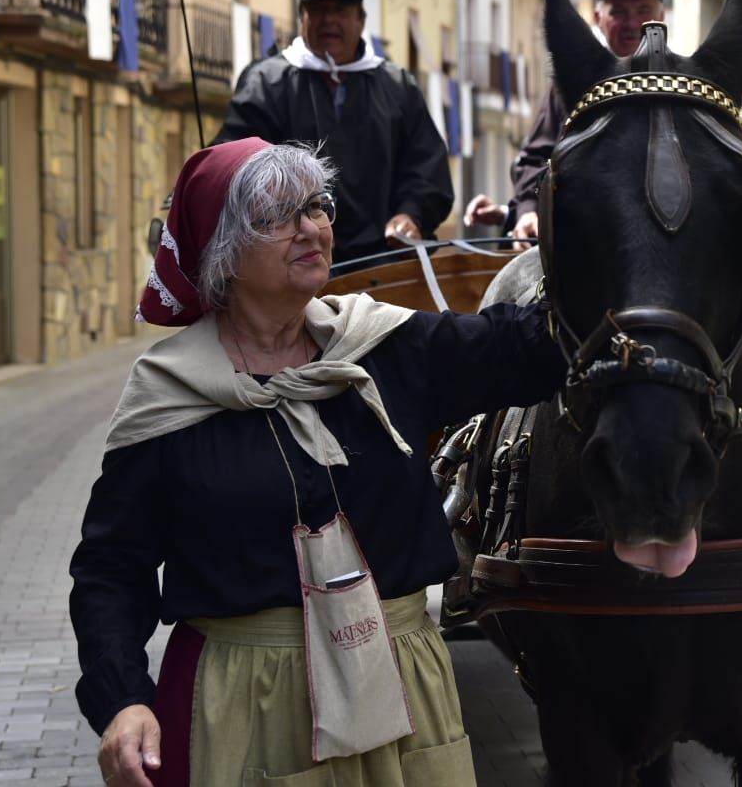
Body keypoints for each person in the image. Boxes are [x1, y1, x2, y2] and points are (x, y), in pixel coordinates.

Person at [71, 139, 562, 786]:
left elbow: (529, 347)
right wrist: (123, 698)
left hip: (402, 690)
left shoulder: (384, 347)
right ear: (222, 249)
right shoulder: (169, 395)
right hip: (247, 705)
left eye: (317, 206)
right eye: (278, 216)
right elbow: (111, 568)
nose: (312, 227)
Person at [211, 0, 454, 263]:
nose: (328, 20)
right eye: (317, 10)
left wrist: (411, 215)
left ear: (361, 20)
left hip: (384, 263)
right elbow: (238, 166)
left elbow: (427, 169)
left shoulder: (397, 86)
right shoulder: (264, 84)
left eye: (339, 10)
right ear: (302, 17)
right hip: (292, 260)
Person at [463, 0, 667, 239]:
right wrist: (525, 211)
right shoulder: (570, 86)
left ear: (662, 17)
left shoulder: (682, 87)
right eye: (618, 11)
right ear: (598, 18)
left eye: (643, 11)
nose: (631, 23)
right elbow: (537, 159)